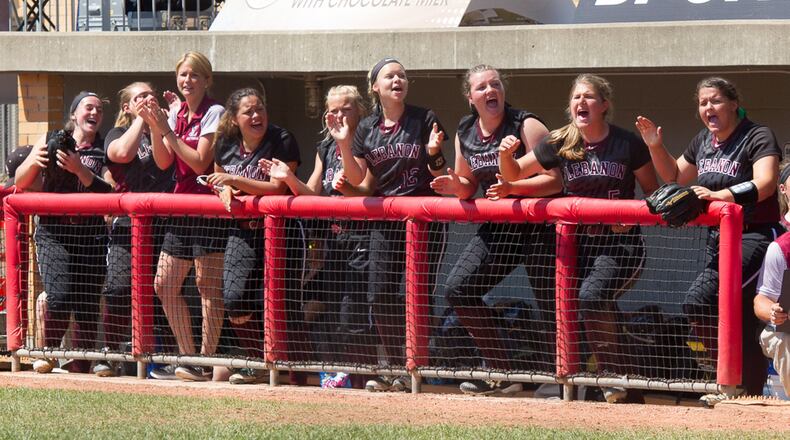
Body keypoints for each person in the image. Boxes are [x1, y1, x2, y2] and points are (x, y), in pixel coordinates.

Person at [500, 74, 659, 403]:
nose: (581, 103)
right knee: (583, 305)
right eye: (576, 98)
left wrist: (630, 216)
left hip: (620, 244)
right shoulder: (560, 141)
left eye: (589, 97)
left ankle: (612, 375)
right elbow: (514, 174)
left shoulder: (627, 143)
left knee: (592, 296)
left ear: (604, 105)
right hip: (576, 246)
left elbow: (653, 193)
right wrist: (505, 155)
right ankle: (623, 383)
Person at [636, 76, 781, 404]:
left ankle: (728, 380)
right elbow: (674, 176)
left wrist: (719, 195)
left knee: (699, 299)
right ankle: (745, 390)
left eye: (715, 101)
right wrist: (654, 145)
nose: (708, 108)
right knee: (739, 315)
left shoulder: (757, 135)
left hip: (757, 237)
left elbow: (767, 182)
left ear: (733, 103)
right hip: (719, 241)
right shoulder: (703, 140)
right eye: (703, 103)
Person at [430, 65, 562, 395]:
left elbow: (556, 181)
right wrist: (453, 185)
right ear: (470, 97)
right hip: (501, 227)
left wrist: (515, 189)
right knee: (458, 288)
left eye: (496, 84)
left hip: (539, 224)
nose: (491, 91)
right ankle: (502, 371)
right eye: (482, 87)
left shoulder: (526, 124)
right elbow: (468, 184)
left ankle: (561, 379)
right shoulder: (465, 130)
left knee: (551, 301)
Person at [336, 58, 447, 393]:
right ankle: (399, 366)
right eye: (389, 76)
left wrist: (434, 153)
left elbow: (440, 170)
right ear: (375, 87)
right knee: (379, 296)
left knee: (414, 294)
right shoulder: (366, 128)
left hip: (423, 220)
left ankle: (416, 368)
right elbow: (359, 178)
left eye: (402, 75)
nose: (397, 79)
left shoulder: (424, 118)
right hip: (385, 222)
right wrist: (343, 141)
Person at [261, 84, 375, 388]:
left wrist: (346, 145)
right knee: (329, 308)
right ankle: (343, 374)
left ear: (360, 111)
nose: (338, 115)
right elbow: (312, 194)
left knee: (354, 313)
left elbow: (360, 183)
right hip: (333, 241)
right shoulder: (325, 147)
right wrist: (289, 178)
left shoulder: (367, 141)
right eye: (333, 110)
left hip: (362, 238)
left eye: (345, 109)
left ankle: (367, 378)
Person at [15, 91, 115, 374]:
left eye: (99, 109)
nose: (94, 113)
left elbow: (108, 192)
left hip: (90, 233)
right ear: (74, 114)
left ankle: (81, 366)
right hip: (54, 231)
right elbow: (21, 182)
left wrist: (79, 168)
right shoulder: (51, 139)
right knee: (58, 296)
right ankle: (48, 353)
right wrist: (35, 158)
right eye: (88, 107)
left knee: (86, 304)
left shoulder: (102, 148)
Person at [206, 87, 300, 384]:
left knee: (280, 301)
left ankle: (295, 370)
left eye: (260, 109)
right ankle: (259, 361)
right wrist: (224, 187)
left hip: (280, 233)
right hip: (242, 231)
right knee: (234, 299)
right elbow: (218, 180)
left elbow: (278, 188)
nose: (257, 115)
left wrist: (235, 180)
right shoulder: (225, 144)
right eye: (248, 111)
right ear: (235, 119)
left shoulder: (281, 139)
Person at [147, 51, 226, 381]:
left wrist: (167, 128)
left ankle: (207, 361)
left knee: (207, 285)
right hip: (181, 207)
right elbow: (164, 162)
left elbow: (198, 161)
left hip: (207, 208)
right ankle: (188, 356)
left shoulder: (215, 112)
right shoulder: (177, 113)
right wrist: (156, 124)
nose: (187, 80)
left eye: (194, 75)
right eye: (183, 75)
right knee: (164, 284)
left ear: (206, 80)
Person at [92, 82, 176, 377]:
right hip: (126, 225)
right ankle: (112, 353)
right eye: (139, 98)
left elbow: (165, 163)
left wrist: (156, 123)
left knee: (158, 291)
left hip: (160, 224)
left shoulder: (161, 129)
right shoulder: (117, 133)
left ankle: (160, 356)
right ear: (126, 106)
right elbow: (122, 154)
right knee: (118, 288)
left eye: (150, 96)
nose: (147, 100)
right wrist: (142, 117)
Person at [754, 162, 790, 399]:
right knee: (785, 340)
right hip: (782, 329)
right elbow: (761, 300)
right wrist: (773, 312)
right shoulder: (780, 245)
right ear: (784, 189)